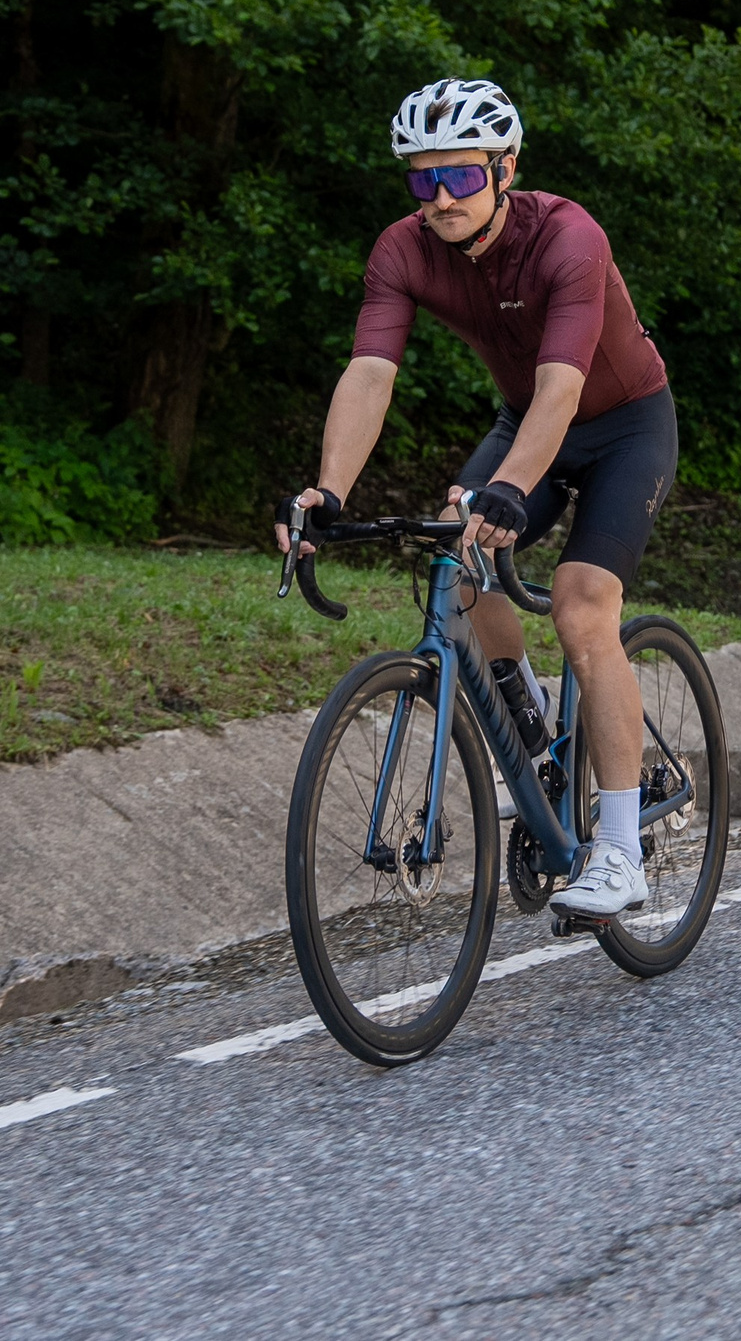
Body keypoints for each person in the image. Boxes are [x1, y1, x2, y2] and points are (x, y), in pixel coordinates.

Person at [276, 78, 677, 919]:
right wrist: (330, 488)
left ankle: (620, 851)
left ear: (506, 167)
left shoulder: (568, 236)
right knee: (457, 559)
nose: (441, 197)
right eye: (423, 180)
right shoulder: (404, 248)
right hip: (525, 415)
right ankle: (530, 736)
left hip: (624, 424)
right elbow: (371, 371)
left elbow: (563, 388)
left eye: (460, 175)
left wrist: (508, 489)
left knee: (580, 606)